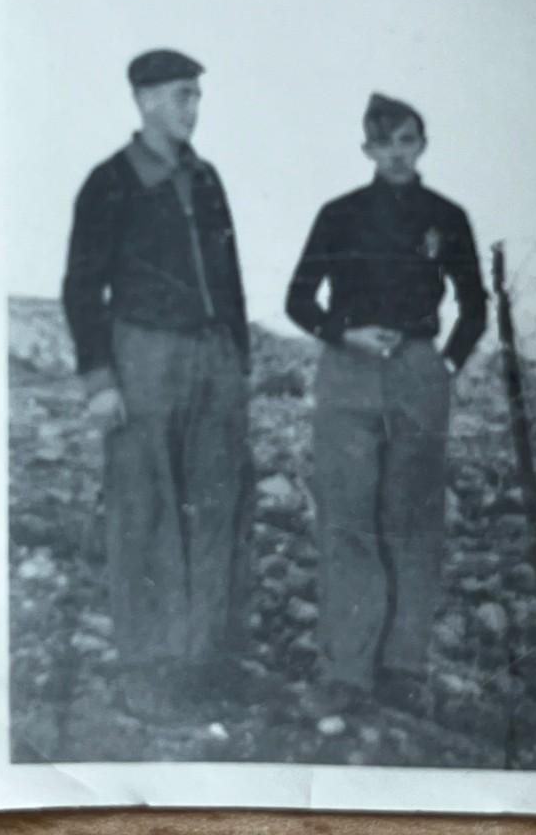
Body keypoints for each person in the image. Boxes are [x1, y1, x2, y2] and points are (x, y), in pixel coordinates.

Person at [63, 49, 254, 721]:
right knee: (144, 515)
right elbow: (81, 287)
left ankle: (204, 661)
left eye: (196, 96)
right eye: (181, 95)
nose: (192, 108)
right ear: (145, 100)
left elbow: (228, 279)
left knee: (215, 508)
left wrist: (238, 361)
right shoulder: (109, 183)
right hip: (141, 357)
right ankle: (147, 672)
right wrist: (99, 381)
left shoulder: (206, 180)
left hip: (211, 362)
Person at [285, 92, 487, 716]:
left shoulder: (446, 216)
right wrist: (344, 332)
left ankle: (403, 666)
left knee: (414, 520)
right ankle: (348, 670)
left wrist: (443, 365)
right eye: (385, 142)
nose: (397, 153)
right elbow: (298, 298)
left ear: (422, 144)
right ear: (367, 149)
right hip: (347, 373)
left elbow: (475, 305)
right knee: (347, 518)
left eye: (408, 140)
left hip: (418, 374)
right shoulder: (339, 214)